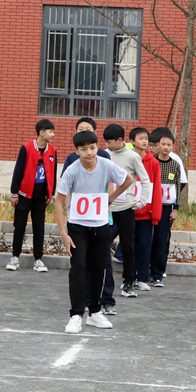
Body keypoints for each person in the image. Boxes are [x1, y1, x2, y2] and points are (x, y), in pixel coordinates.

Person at [54, 129, 134, 334]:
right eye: (84, 149)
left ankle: (95, 312)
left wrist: (111, 197)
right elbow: (60, 200)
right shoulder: (72, 170)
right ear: (77, 150)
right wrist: (63, 232)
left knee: (99, 268)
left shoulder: (106, 164)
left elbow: (128, 179)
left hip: (100, 224)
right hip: (77, 226)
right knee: (79, 267)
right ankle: (75, 315)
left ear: (97, 146)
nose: (89, 153)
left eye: (92, 148)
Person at [103, 123, 150, 307]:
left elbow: (145, 180)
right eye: (105, 141)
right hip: (107, 209)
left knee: (129, 246)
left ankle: (128, 282)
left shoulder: (132, 157)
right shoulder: (105, 156)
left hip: (126, 209)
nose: (107, 145)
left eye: (110, 142)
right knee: (103, 244)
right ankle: (102, 281)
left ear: (120, 140)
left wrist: (141, 202)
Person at [7, 119, 56, 272]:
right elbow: (18, 170)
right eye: (50, 132)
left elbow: (53, 173)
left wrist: (51, 193)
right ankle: (15, 257)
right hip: (24, 194)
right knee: (19, 226)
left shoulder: (52, 151)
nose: (53, 135)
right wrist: (14, 193)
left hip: (41, 196)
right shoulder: (27, 148)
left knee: (39, 227)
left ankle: (38, 259)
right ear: (41, 132)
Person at [150, 127, 186, 288]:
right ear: (158, 144)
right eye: (162, 144)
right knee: (147, 240)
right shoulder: (152, 162)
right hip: (151, 206)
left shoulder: (175, 165)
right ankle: (145, 272)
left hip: (167, 208)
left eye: (169, 144)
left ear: (173, 146)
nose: (165, 147)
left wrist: (176, 208)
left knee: (161, 240)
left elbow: (178, 187)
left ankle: (158, 274)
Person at [131, 127, 162, 291]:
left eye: (146, 138)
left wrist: (155, 214)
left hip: (146, 214)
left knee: (144, 246)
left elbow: (157, 189)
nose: (144, 141)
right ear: (132, 141)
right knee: (130, 247)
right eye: (140, 138)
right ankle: (129, 278)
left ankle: (142, 277)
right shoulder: (128, 160)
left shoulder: (154, 163)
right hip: (128, 212)